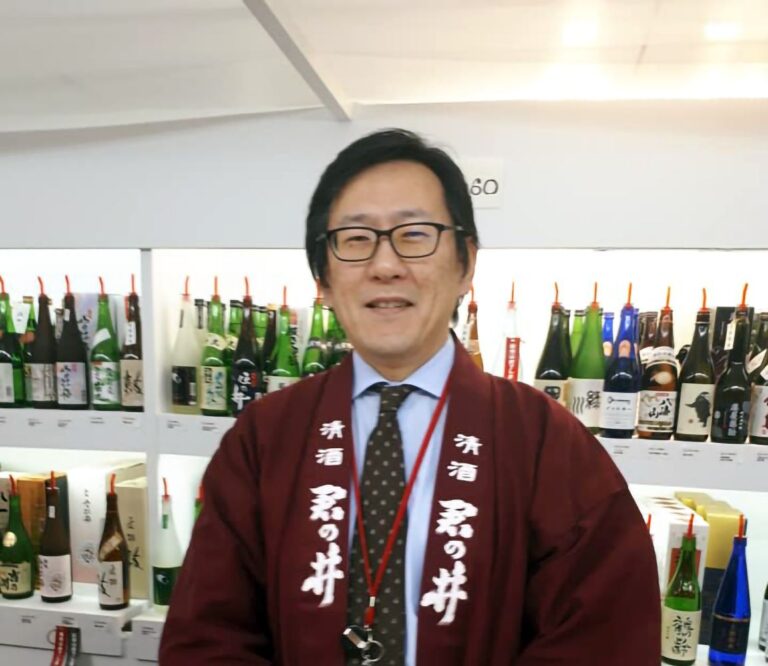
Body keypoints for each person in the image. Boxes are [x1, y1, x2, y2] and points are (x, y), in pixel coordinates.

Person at [159, 129, 660, 665]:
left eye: (415, 235)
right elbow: (208, 634)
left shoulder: (541, 438)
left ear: (466, 263)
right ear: (322, 278)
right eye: (355, 239)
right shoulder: (266, 436)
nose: (386, 265)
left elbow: (604, 631)